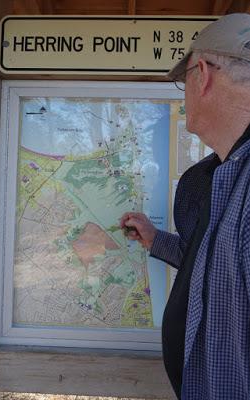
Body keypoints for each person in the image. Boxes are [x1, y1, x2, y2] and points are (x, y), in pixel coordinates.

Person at [120, 13, 250, 400]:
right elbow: (217, 267)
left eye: (185, 80)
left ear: (204, 74)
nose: (185, 94)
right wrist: (156, 240)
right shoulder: (226, 175)